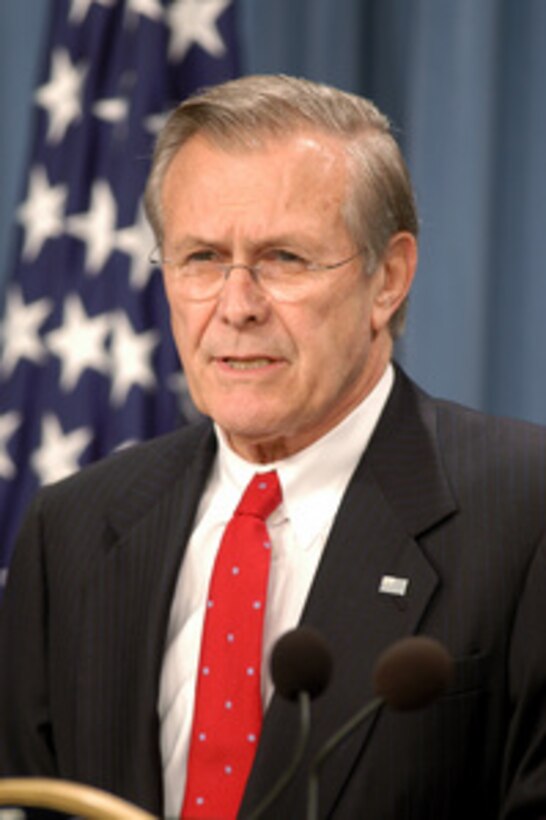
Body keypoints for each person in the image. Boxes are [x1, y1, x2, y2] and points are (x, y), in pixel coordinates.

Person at [1, 74, 546, 820]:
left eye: (284, 258)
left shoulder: (525, 509)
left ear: (387, 278)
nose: (235, 306)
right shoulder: (70, 530)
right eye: (199, 258)